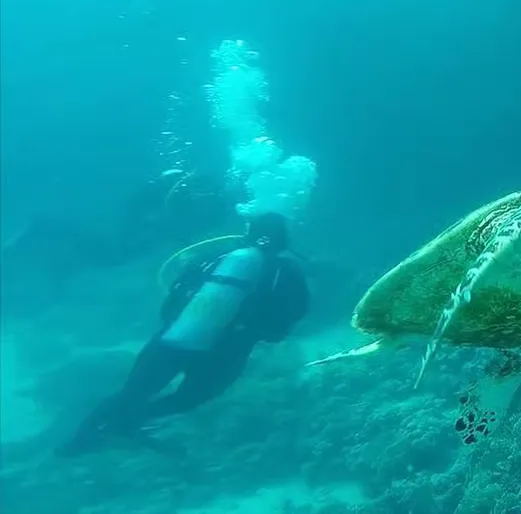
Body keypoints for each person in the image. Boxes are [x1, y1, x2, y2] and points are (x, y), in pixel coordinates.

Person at [56, 211, 310, 457]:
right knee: (188, 398)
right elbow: (292, 313)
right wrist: (255, 334)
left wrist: (179, 323)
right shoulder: (285, 270)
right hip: (226, 352)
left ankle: (79, 443)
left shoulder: (216, 256)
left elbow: (174, 295)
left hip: (174, 338)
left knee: (132, 392)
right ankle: (136, 420)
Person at [2, 168, 240, 274]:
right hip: (146, 222)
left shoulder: (210, 199)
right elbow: (174, 217)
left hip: (153, 224)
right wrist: (148, 224)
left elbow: (184, 225)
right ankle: (46, 227)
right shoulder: (200, 195)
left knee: (115, 255)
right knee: (115, 256)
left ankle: (56, 240)